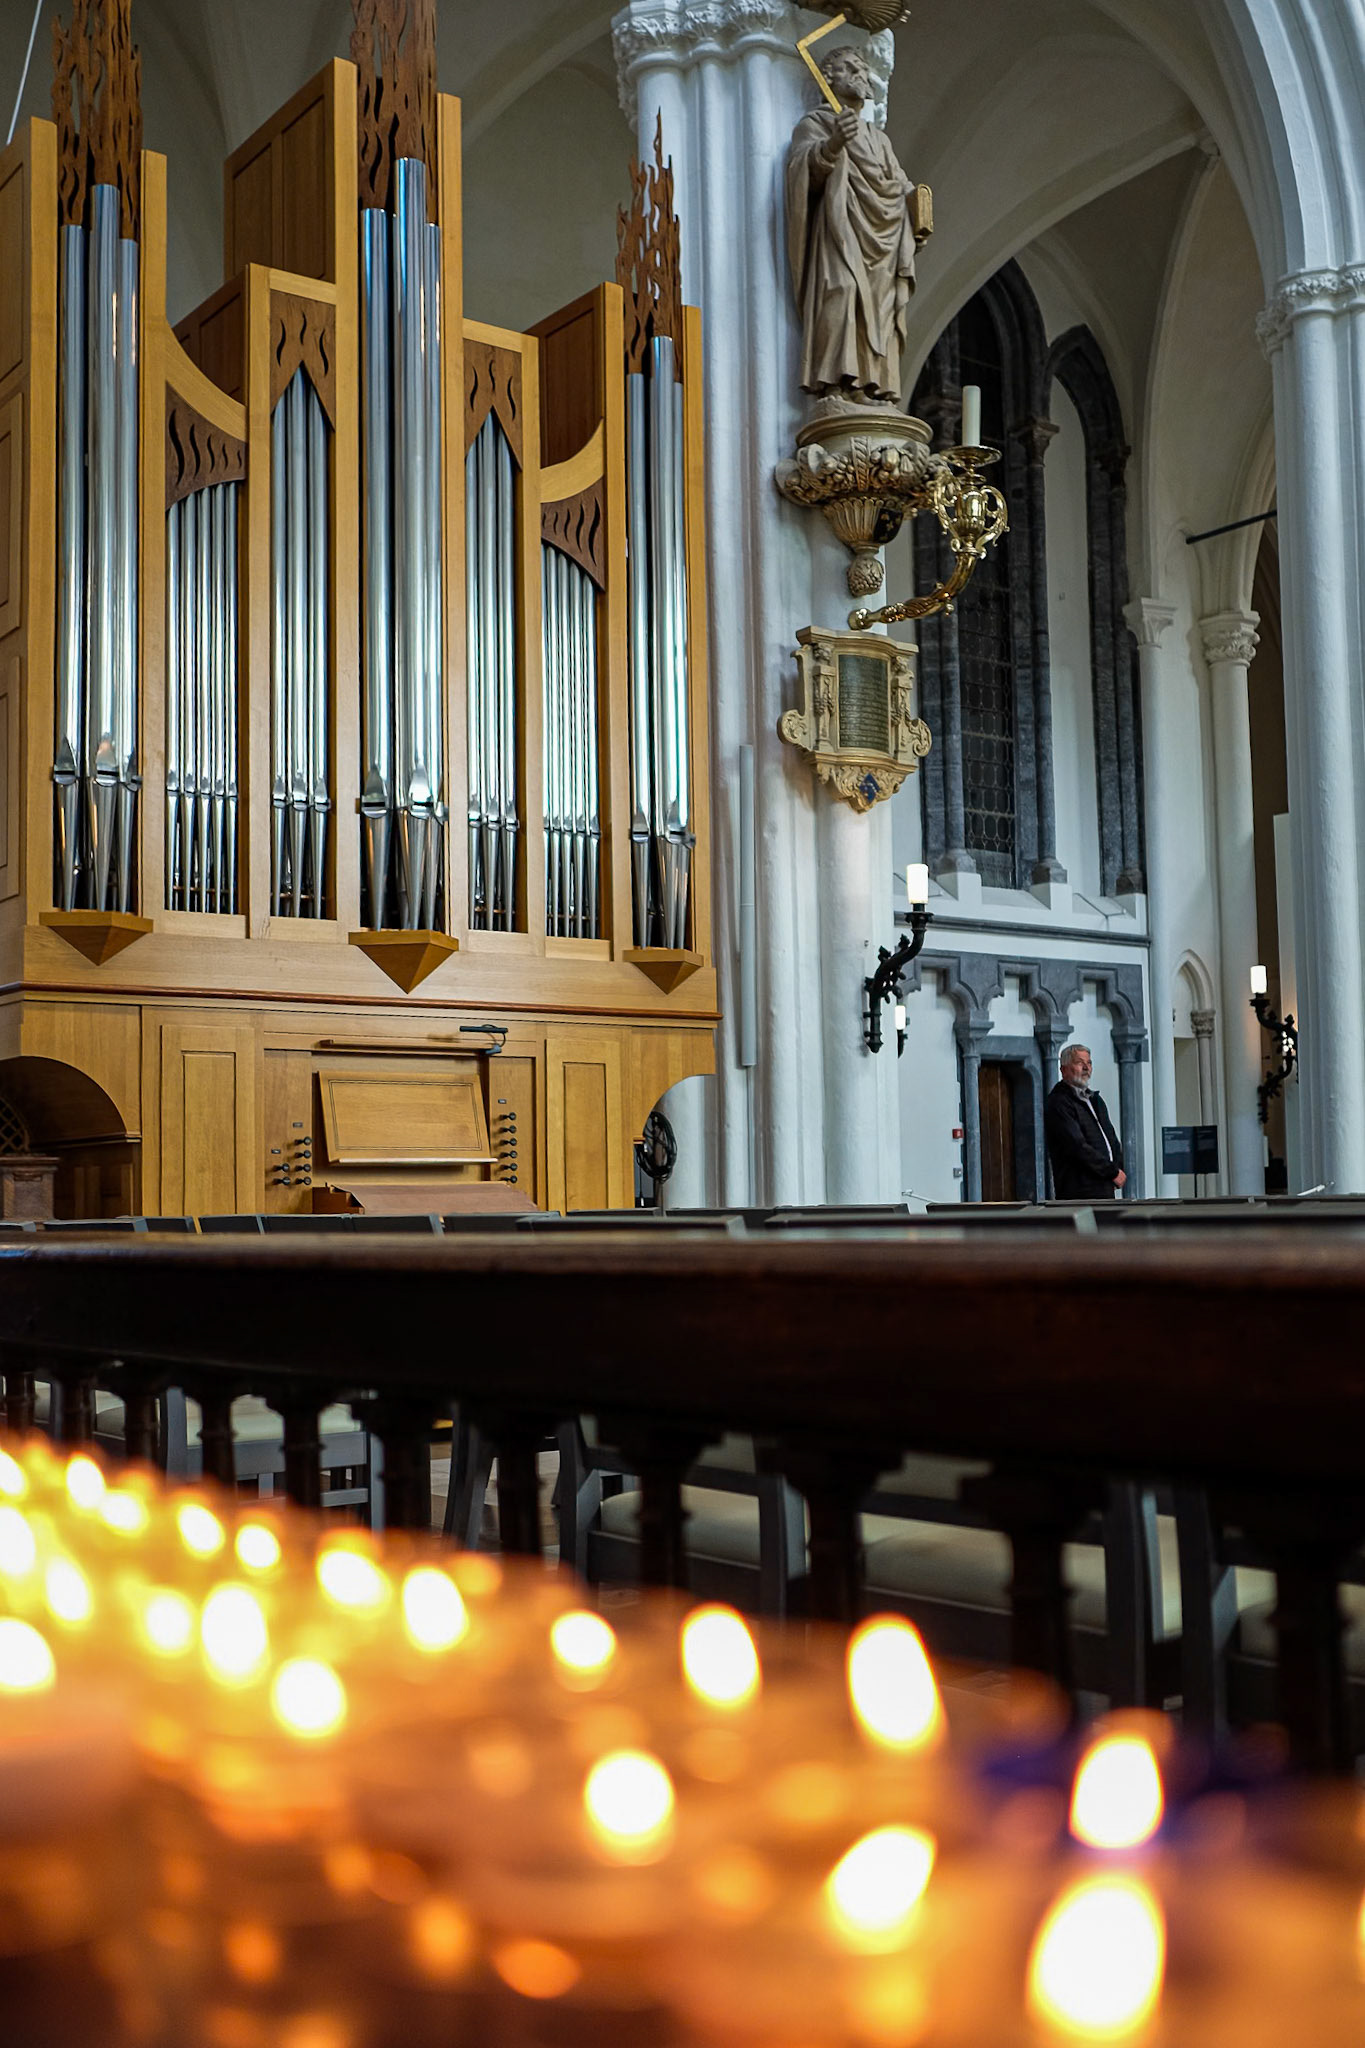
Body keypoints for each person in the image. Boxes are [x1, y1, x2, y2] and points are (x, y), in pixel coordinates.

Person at [785, 45, 918, 401]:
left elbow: (900, 183)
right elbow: (802, 173)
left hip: (882, 239)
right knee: (841, 291)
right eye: (848, 68)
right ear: (829, 77)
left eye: (862, 69)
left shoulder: (879, 139)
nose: (859, 74)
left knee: (881, 311)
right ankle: (837, 385)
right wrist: (832, 145)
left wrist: (917, 204)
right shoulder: (815, 123)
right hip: (838, 230)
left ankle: (873, 387)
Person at [1044, 1044, 1127, 1199]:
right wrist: (1112, 1171)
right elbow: (1077, 1146)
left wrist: (1117, 1168)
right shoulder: (1059, 1102)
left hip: (1104, 1185)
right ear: (1064, 1069)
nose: (1086, 1068)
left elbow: (1111, 1139)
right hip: (1080, 1190)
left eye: (1089, 1063)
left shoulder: (1095, 1100)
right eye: (1079, 1063)